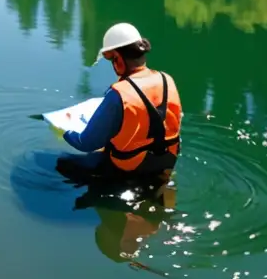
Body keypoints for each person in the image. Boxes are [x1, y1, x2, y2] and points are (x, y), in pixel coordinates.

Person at [62, 23, 181, 177]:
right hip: (167, 160)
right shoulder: (167, 80)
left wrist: (65, 131)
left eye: (112, 60)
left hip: (130, 168)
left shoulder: (119, 94)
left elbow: (86, 143)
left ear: (118, 59)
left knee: (63, 164)